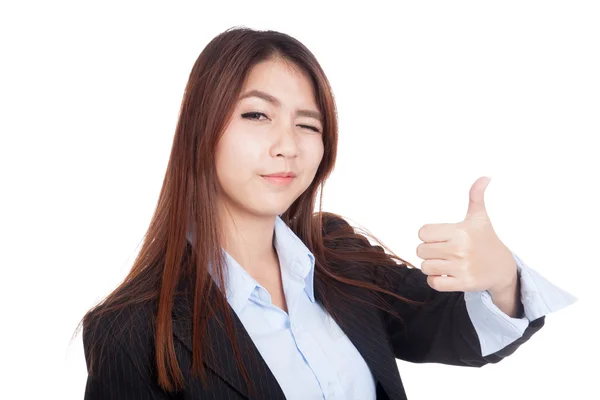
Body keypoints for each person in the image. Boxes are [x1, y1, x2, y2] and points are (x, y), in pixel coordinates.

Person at [78, 26, 576, 400]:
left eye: (307, 124)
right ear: (200, 128)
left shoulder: (336, 254)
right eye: (257, 115)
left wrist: (502, 279)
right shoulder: (131, 330)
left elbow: (450, 332)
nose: (287, 146)